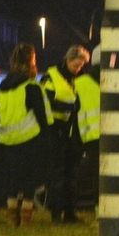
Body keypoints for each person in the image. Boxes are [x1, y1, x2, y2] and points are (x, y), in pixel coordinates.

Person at [0, 43, 52, 226]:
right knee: (29, 180)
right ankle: (26, 220)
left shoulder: (4, 85)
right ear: (30, 62)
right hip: (29, 140)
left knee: (11, 181)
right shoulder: (31, 86)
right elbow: (43, 117)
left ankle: (13, 219)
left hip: (7, 140)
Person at [41, 44, 90, 223]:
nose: (79, 69)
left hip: (74, 133)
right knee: (58, 175)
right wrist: (71, 107)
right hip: (57, 132)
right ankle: (56, 214)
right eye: (77, 65)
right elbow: (47, 102)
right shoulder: (51, 76)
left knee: (71, 175)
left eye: (81, 66)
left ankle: (70, 213)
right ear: (68, 60)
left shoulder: (81, 78)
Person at [73, 45, 102, 206]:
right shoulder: (115, 80)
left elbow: (74, 111)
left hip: (89, 137)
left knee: (96, 174)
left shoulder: (80, 82)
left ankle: (99, 209)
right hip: (112, 136)